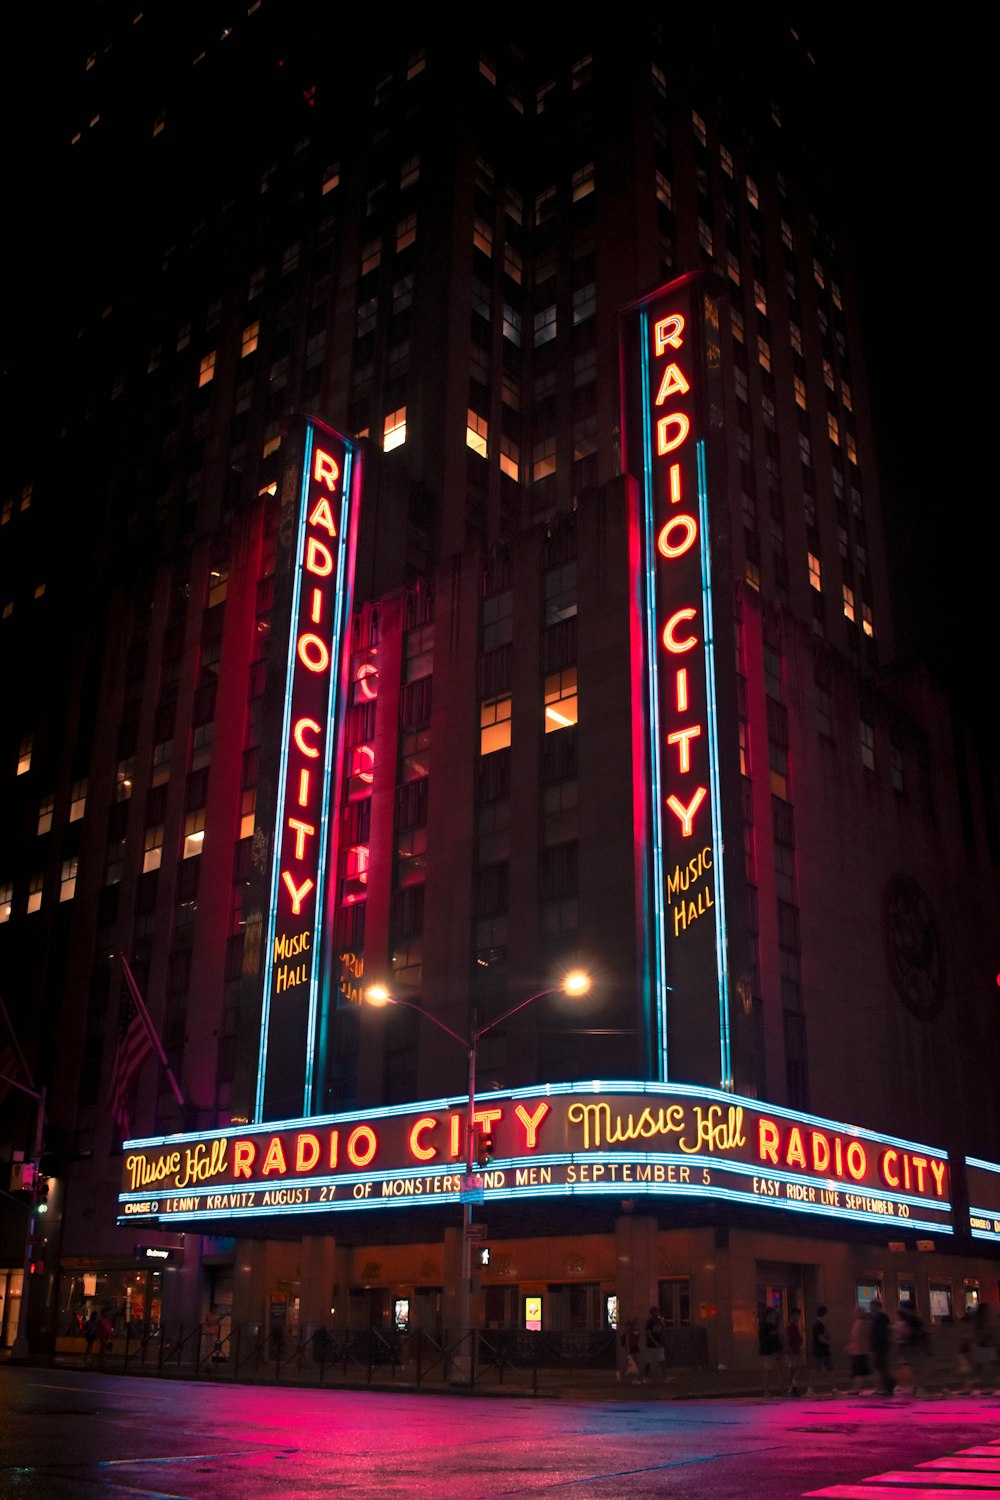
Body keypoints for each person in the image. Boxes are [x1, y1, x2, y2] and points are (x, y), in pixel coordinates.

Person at [869, 1298, 895, 1395]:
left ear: (876, 1306)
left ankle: (889, 1386)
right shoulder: (879, 1316)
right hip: (880, 1346)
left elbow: (884, 1332)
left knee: (881, 1366)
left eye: (871, 1306)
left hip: (881, 1346)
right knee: (881, 1366)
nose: (870, 1308)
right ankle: (888, 1386)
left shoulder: (881, 1316)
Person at [809, 1305, 835, 1395]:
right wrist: (829, 1342)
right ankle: (810, 1389)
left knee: (830, 1370)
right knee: (816, 1370)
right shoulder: (818, 1325)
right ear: (825, 1314)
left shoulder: (822, 1324)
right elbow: (820, 1338)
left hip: (824, 1351)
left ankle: (834, 1389)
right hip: (820, 1351)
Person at [758, 1305, 783, 1396]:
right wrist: (773, 1351)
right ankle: (766, 1390)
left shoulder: (773, 1326)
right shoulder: (765, 1326)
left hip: (774, 1351)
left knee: (775, 1370)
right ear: (769, 1314)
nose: (775, 1315)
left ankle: (779, 1389)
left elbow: (776, 1339)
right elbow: (765, 1340)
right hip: (768, 1352)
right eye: (773, 1314)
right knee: (769, 1370)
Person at [846, 1306, 871, 1393]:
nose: (855, 1313)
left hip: (858, 1350)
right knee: (861, 1371)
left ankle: (856, 1389)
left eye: (857, 1312)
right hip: (863, 1350)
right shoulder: (866, 1322)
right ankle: (857, 1388)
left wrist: (850, 1346)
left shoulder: (859, 1323)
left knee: (858, 1371)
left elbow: (855, 1337)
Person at [643, 1305, 668, 1383]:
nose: (657, 1313)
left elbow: (662, 1330)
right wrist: (654, 1342)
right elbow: (648, 1334)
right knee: (649, 1361)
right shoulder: (649, 1322)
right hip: (651, 1345)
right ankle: (645, 1377)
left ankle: (665, 1377)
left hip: (659, 1344)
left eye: (657, 1312)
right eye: (655, 1312)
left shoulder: (659, 1321)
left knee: (662, 1361)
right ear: (652, 1313)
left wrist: (663, 1323)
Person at [785, 1307, 805, 1396]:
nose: (798, 1317)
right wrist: (789, 1351)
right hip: (793, 1351)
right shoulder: (790, 1327)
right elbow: (788, 1340)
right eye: (797, 1315)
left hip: (795, 1350)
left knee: (794, 1369)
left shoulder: (794, 1326)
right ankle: (792, 1386)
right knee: (796, 1368)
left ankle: (792, 1387)